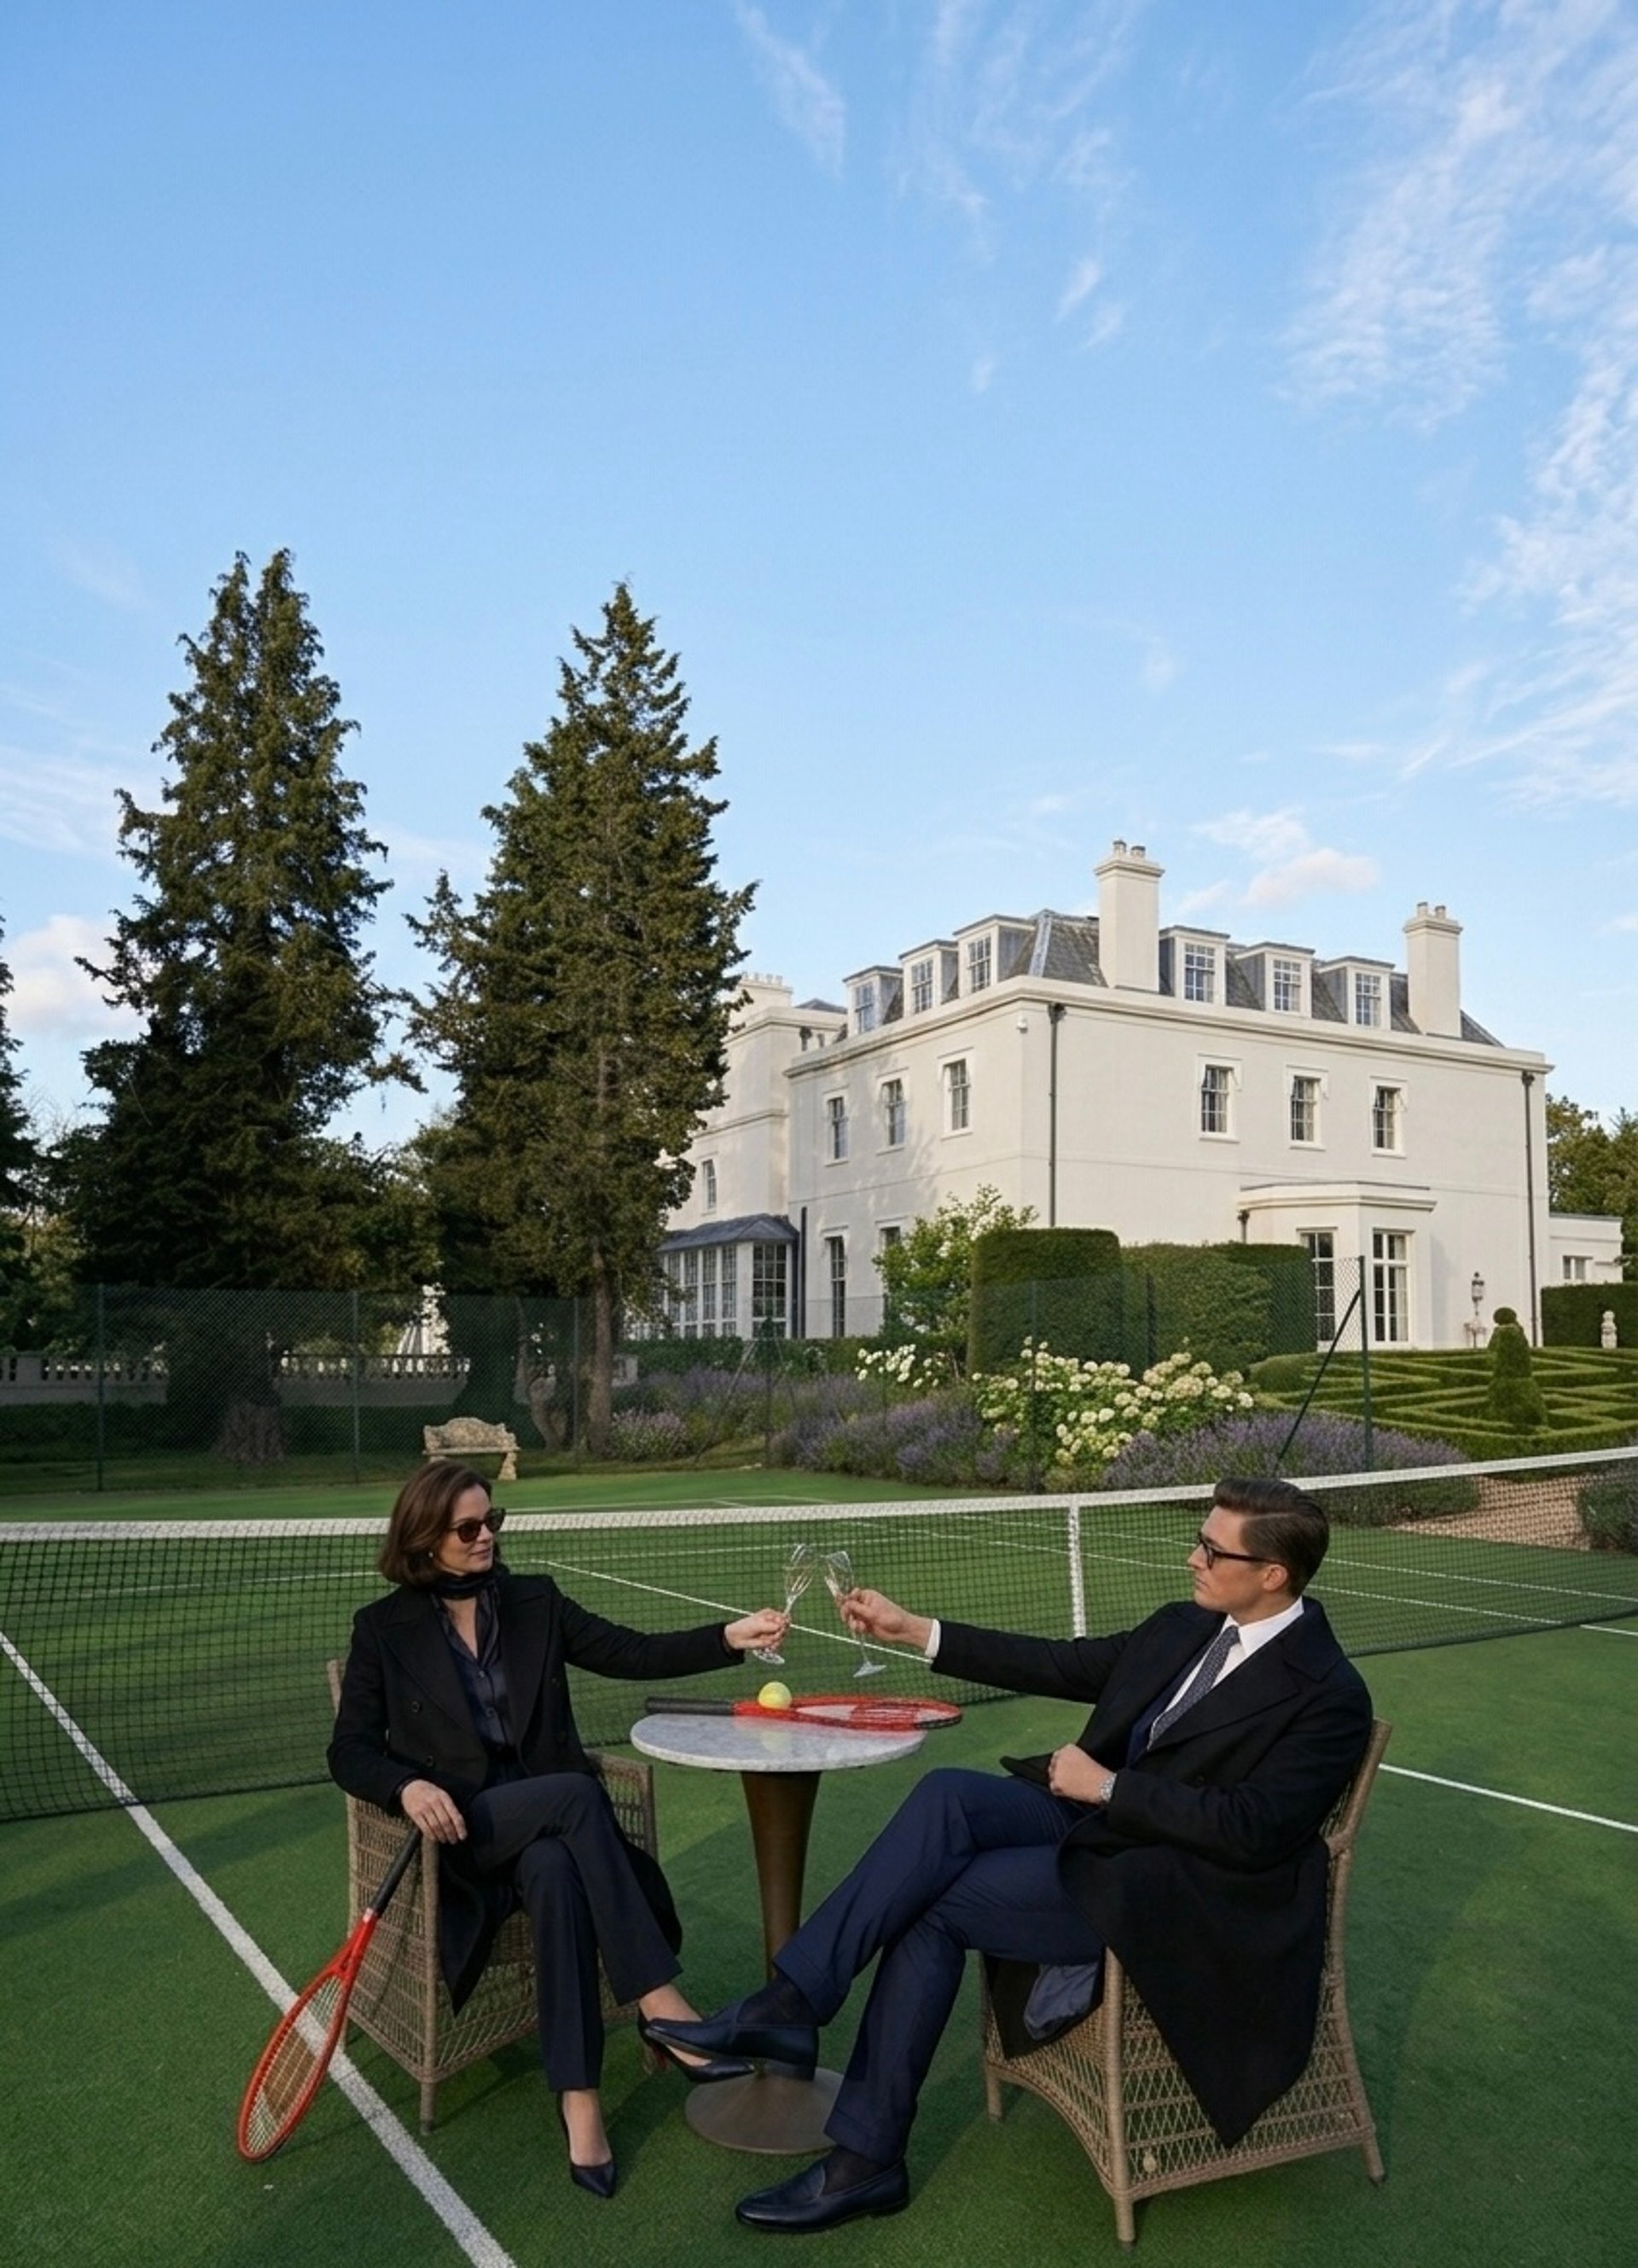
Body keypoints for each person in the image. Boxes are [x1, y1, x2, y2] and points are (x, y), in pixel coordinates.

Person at [646, 1475, 1373, 2234]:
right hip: (1099, 1832)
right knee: (949, 1795)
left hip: (1170, 1892)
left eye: (1210, 1548)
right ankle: (793, 2006)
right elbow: (1061, 1665)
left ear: (1272, 1575)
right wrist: (913, 1629)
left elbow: (1255, 1828)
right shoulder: (1187, 1626)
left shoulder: (1328, 1693)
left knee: (936, 1908)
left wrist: (1111, 1788)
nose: (1193, 1557)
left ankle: (862, 2158)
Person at [328, 1460, 787, 2198]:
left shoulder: (533, 1601)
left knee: (554, 1871)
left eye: (493, 1522)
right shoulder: (383, 1631)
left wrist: (731, 1637)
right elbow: (348, 1750)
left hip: (550, 1837)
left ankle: (581, 2105)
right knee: (576, 1795)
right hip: (464, 1834)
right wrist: (406, 1784)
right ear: (423, 1540)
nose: (486, 1537)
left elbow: (633, 1653)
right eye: (468, 1528)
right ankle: (662, 2006)